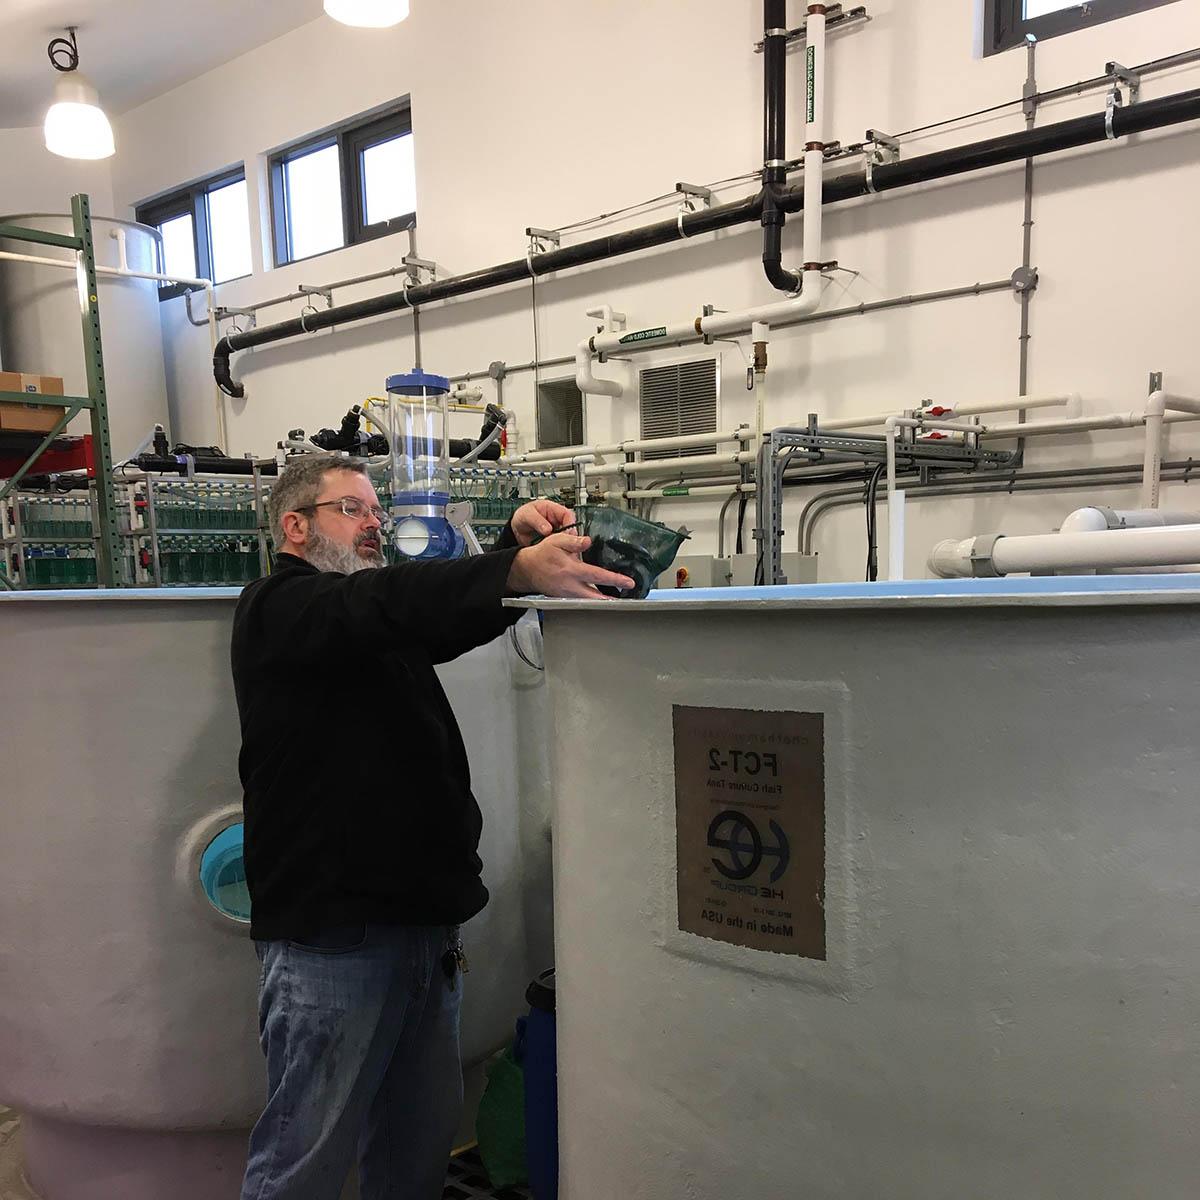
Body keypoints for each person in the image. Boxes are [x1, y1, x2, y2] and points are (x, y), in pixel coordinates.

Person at [232, 454, 632, 1200]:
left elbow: (426, 610)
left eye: (375, 510)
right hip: (333, 941)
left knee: (416, 1149)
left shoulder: (371, 624)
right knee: (304, 1159)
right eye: (352, 509)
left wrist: (514, 554)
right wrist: (514, 570)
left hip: (423, 932)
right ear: (294, 527)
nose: (375, 523)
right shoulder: (280, 609)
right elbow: (387, 602)